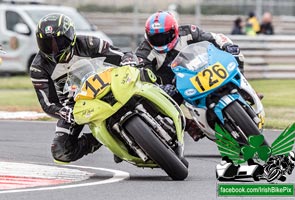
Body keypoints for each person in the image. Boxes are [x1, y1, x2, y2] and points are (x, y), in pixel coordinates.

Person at [30, 13, 136, 163]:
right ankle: (104, 140)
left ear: (70, 37)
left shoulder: (89, 43)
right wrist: (64, 112)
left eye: (58, 42)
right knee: (60, 152)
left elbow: (121, 55)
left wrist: (128, 60)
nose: (53, 49)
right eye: (46, 43)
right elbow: (47, 103)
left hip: (105, 87)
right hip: (76, 106)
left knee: (139, 78)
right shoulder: (38, 67)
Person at [135, 11, 244, 141]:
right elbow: (142, 76)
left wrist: (227, 46)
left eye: (164, 36)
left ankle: (242, 88)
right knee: (155, 106)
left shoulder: (188, 32)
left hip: (201, 68)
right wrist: (158, 88)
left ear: (174, 31)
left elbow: (214, 37)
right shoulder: (144, 52)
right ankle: (189, 124)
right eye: (155, 37)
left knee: (237, 56)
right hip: (173, 86)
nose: (160, 41)